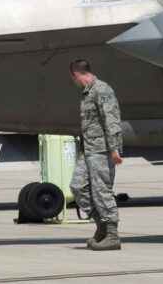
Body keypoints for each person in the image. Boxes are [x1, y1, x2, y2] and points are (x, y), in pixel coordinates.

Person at [68, 59, 123, 251]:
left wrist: (114, 147)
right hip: (89, 149)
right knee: (77, 186)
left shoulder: (101, 89)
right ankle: (101, 226)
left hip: (102, 150)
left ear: (76, 74)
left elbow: (112, 119)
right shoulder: (87, 92)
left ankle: (112, 235)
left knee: (102, 191)